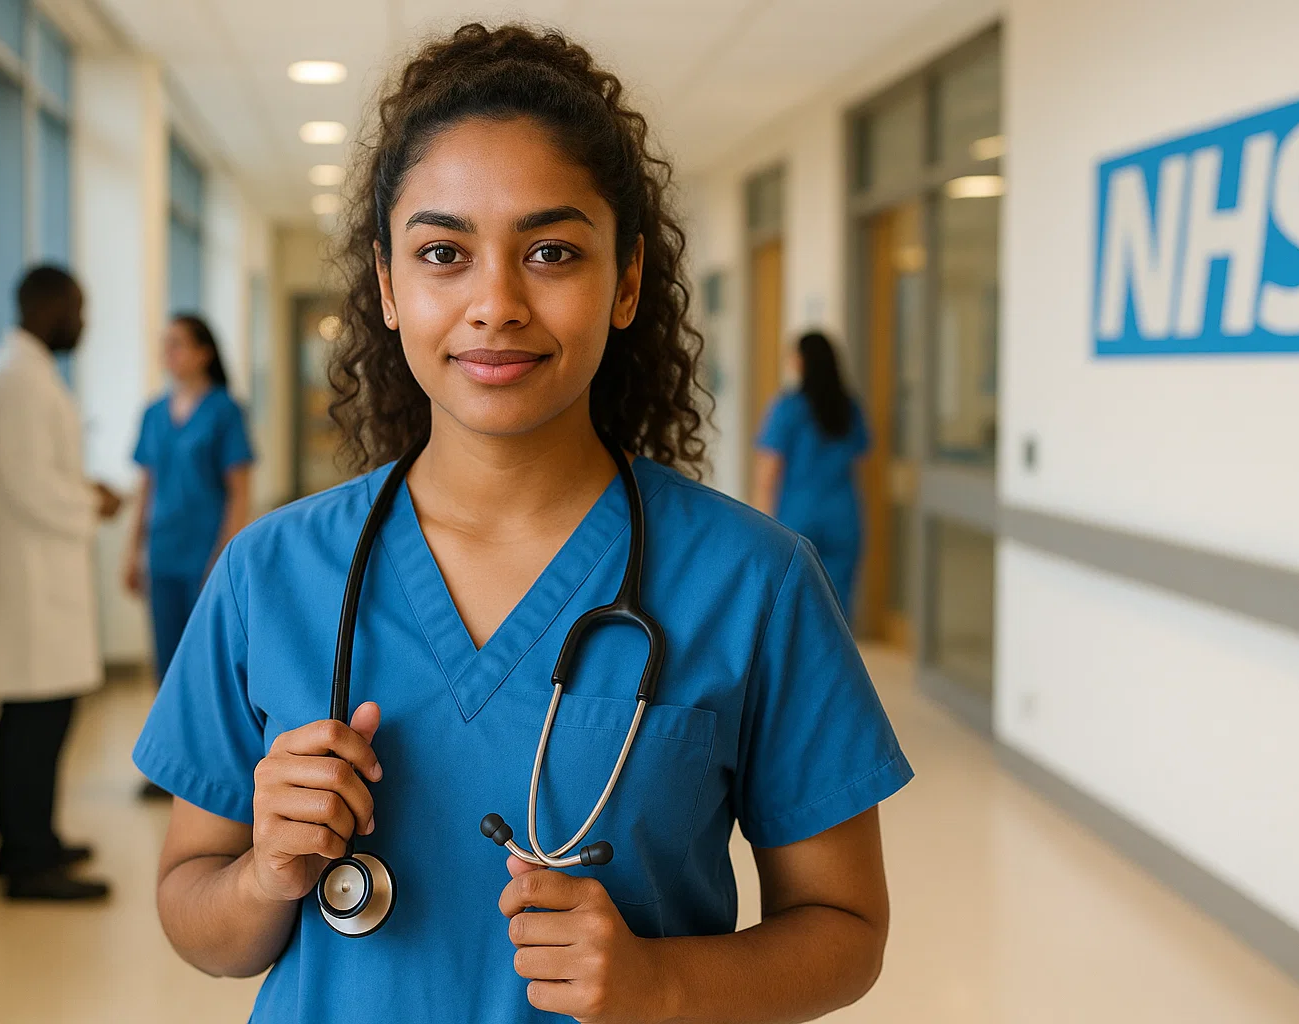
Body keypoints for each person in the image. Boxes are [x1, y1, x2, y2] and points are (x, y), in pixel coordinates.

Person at [133, 24, 911, 1023]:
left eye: (551, 250)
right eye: (444, 253)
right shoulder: (269, 574)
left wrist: (663, 983)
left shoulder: (753, 582)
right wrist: (262, 873)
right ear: (387, 283)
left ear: (627, 280)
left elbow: (846, 930)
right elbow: (193, 913)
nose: (494, 303)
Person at [0, 264, 117, 901]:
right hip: (32, 587)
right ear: (48, 306)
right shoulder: (14, 382)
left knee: (43, 722)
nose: (84, 323)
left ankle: (37, 838)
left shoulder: (27, 376)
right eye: (78, 309)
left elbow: (37, 476)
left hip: (43, 580)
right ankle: (26, 859)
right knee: (32, 724)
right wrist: (92, 504)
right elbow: (29, 488)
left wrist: (84, 495)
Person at [123, 314, 253, 798]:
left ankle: (207, 773)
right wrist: (132, 551)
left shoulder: (224, 412)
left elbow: (239, 490)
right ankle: (167, 767)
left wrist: (225, 555)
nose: (168, 353)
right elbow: (147, 487)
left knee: (201, 664)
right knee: (164, 661)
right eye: (164, 345)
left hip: (206, 554)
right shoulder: (154, 413)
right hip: (163, 554)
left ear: (203, 352)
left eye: (177, 344)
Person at [752, 331, 870, 615]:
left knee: (796, 607)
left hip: (798, 516)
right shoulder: (848, 407)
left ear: (802, 362)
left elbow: (767, 474)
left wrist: (758, 526)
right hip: (843, 515)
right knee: (839, 606)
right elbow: (859, 457)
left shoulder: (788, 408)